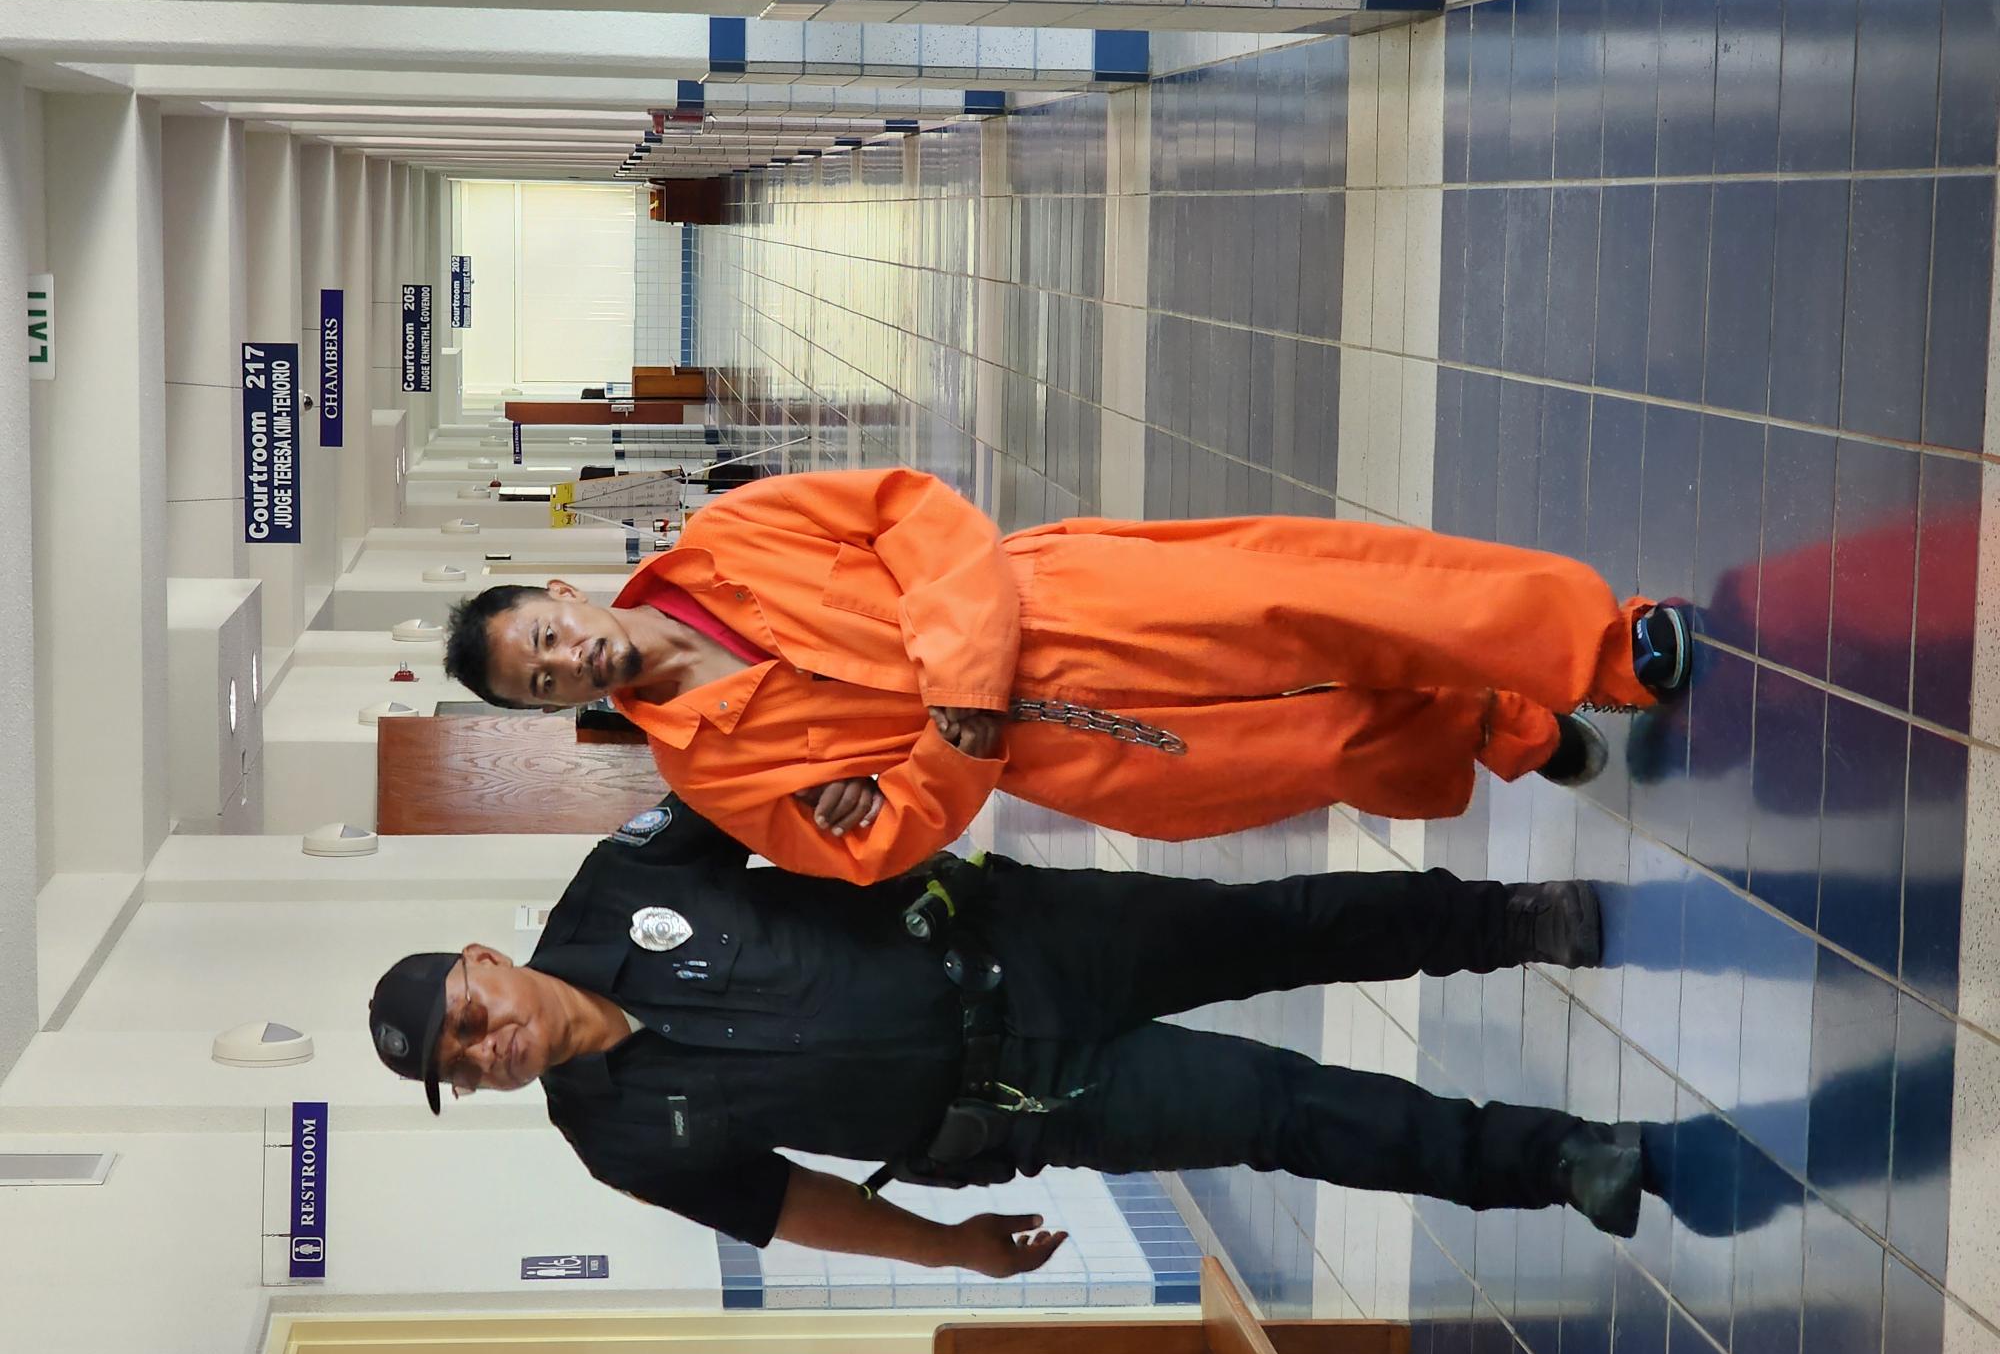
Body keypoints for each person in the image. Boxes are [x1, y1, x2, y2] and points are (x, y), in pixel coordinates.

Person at [369, 795, 1652, 1276]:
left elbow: (747, 767)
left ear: (488, 960)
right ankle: (1556, 1161)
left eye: (471, 1020)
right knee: (1283, 1117)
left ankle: (1506, 921)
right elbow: (789, 1207)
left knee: (1280, 927)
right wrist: (947, 1253)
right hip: (1024, 1099)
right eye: (463, 1065)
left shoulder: (615, 885)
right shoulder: (612, 1139)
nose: (487, 1049)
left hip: (1029, 935)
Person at [442, 466, 1689, 884]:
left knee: (1330, 599)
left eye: (546, 639)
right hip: (1064, 745)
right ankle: (1496, 724)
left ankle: (1595, 652)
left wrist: (948, 701)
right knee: (1320, 748)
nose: (569, 662)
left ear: (562, 597)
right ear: (561, 712)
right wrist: (956, 747)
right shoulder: (708, 767)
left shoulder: (729, 541)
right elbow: (871, 844)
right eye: (545, 685)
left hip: (1068, 607)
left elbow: (913, 514)